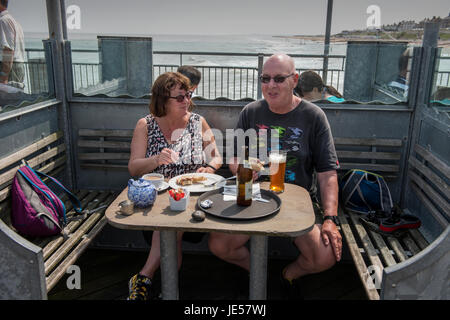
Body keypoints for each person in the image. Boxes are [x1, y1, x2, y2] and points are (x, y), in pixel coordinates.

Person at [208, 54, 342, 299]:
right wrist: (244, 168)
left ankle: (288, 274)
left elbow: (327, 173)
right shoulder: (251, 112)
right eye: (265, 78)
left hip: (297, 202)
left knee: (325, 256)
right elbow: (234, 159)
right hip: (255, 197)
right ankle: (259, 273)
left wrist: (330, 218)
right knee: (218, 245)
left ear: (294, 80)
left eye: (279, 79)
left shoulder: (313, 116)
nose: (271, 85)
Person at [127, 71, 222, 300]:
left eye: (188, 95)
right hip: (155, 200)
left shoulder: (198, 122)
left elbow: (216, 157)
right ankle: (167, 291)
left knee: (170, 225)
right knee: (170, 232)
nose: (186, 101)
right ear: (162, 99)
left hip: (194, 199)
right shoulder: (146, 125)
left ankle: (144, 277)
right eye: (179, 97)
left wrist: (209, 169)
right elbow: (134, 168)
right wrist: (156, 160)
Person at [0, 0, 25, 89]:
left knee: (9, 100)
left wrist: (4, 76)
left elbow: (8, 50)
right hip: (18, 65)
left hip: (11, 68)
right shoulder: (14, 22)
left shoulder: (3, 21)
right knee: (17, 98)